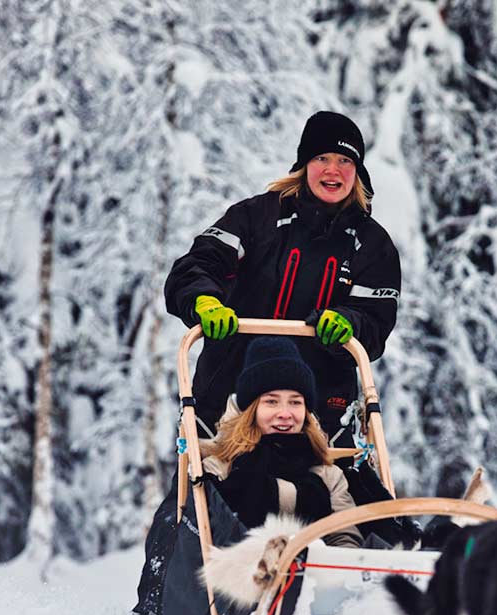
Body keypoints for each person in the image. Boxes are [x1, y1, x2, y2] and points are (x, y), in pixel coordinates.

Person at [164, 110, 401, 441]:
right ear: (305, 165)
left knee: (339, 490)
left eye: (345, 161)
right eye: (322, 158)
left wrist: (349, 321)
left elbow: (375, 322)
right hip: (229, 398)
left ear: (357, 171)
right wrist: (204, 299)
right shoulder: (256, 217)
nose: (333, 170)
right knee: (206, 488)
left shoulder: (372, 245)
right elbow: (201, 263)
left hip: (320, 411)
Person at [200, 336, 361, 548]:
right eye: (271, 402)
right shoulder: (220, 467)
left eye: (295, 402)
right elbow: (209, 538)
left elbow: (345, 538)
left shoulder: (328, 475)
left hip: (316, 575)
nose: (285, 414)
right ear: (251, 410)